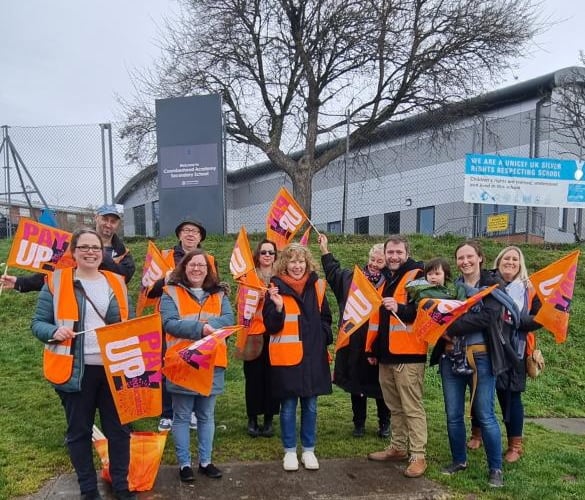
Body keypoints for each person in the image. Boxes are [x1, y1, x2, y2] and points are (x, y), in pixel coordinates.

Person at [30, 228, 135, 500]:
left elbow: (131, 324)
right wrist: (53, 332)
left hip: (115, 370)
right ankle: (89, 490)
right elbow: (38, 323)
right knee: (79, 433)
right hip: (75, 371)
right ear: (74, 252)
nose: (91, 252)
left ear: (103, 252)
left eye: (96, 248)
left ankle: (122, 486)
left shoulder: (117, 282)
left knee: (120, 432)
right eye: (85, 247)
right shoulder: (56, 281)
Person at [429, 240, 509, 488]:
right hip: (450, 356)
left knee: (485, 414)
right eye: (460, 258)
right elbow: (436, 314)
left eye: (469, 257)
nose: (465, 262)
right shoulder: (453, 288)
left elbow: (488, 317)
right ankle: (458, 460)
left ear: (480, 258)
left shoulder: (494, 286)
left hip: (482, 356)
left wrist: (449, 326)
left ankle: (495, 468)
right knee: (453, 415)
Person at [160, 249, 234, 483]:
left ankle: (205, 461)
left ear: (208, 269)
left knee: (206, 415)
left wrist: (199, 325)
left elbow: (228, 321)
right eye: (192, 264)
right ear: (184, 267)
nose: (197, 269)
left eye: (202, 265)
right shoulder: (169, 293)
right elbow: (170, 324)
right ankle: (184, 464)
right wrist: (202, 329)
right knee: (181, 416)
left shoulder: (220, 294)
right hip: (183, 363)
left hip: (212, 364)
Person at [466, 246, 542, 463]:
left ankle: (515, 445)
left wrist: (515, 321)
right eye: (506, 258)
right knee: (479, 391)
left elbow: (539, 318)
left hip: (516, 350)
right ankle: (477, 433)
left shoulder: (529, 289)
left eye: (515, 259)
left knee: (512, 397)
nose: (510, 262)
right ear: (498, 262)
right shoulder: (486, 283)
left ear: (520, 264)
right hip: (486, 346)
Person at [263, 243, 333, 472]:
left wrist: (322, 337)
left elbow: (326, 318)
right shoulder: (274, 288)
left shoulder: (318, 286)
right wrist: (279, 308)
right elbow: (270, 326)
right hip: (288, 358)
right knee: (288, 407)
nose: (297, 266)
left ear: (307, 263)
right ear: (284, 263)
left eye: (301, 261)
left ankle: (309, 450)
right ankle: (290, 451)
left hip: (313, 357)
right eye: (292, 261)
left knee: (311, 406)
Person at [366, 235, 428, 479]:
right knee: (395, 407)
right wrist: (373, 350)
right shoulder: (387, 279)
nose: (393, 256)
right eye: (390, 252)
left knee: (412, 408)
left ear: (406, 253)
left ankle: (418, 455)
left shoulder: (417, 276)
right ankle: (398, 448)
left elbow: (424, 310)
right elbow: (379, 320)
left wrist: (401, 308)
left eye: (398, 252)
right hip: (387, 355)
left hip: (409, 355)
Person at [318, 234, 390, 438]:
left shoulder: (391, 283)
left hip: (378, 342)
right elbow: (333, 272)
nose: (375, 265)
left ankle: (384, 424)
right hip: (354, 342)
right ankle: (358, 424)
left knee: (381, 386)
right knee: (356, 385)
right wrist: (325, 249)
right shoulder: (351, 278)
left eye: (380, 261)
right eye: (372, 260)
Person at [149, 218, 215, 433]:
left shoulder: (209, 259)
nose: (190, 234)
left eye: (195, 231)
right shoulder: (164, 257)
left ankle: (193, 411)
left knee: (195, 363)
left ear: (200, 237)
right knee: (168, 364)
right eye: (186, 230)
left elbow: (212, 286)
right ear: (179, 235)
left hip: (198, 320)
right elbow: (148, 289)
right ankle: (168, 413)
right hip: (169, 321)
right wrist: (164, 280)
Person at [1, 204, 135, 292]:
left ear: (117, 224)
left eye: (113, 221)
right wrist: (20, 283)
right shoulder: (73, 245)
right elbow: (54, 274)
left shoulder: (123, 253)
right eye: (105, 219)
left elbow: (125, 277)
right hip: (77, 304)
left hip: (110, 307)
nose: (108, 224)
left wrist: (101, 256)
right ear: (96, 218)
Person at [406, 258, 472, 376]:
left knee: (460, 338)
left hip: (454, 320)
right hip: (435, 321)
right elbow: (420, 307)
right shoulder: (422, 291)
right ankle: (457, 362)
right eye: (429, 274)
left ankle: (458, 361)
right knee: (453, 339)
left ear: (445, 275)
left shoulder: (455, 288)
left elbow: (463, 303)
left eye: (437, 274)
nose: (433, 277)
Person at [241, 239, 280, 438]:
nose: (267, 256)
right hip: (253, 334)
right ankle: (252, 418)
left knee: (273, 378)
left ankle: (269, 419)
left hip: (275, 334)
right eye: (264, 252)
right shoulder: (248, 276)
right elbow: (242, 305)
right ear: (258, 254)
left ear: (275, 256)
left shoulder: (281, 276)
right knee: (253, 378)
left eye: (271, 253)